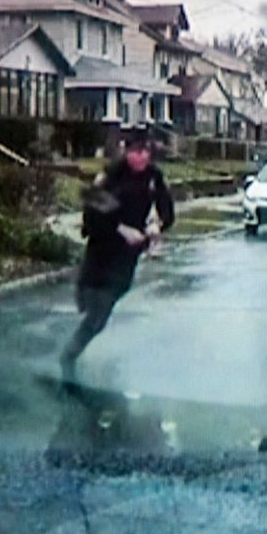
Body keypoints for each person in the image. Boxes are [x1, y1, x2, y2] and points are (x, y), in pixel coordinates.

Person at [59, 135, 175, 379]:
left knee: (105, 304)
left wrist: (158, 225)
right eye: (136, 151)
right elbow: (92, 213)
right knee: (91, 291)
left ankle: (69, 354)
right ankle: (84, 298)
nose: (141, 156)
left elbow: (167, 211)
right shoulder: (112, 175)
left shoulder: (153, 177)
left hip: (126, 255)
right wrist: (120, 229)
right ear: (126, 151)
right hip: (102, 245)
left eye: (146, 151)